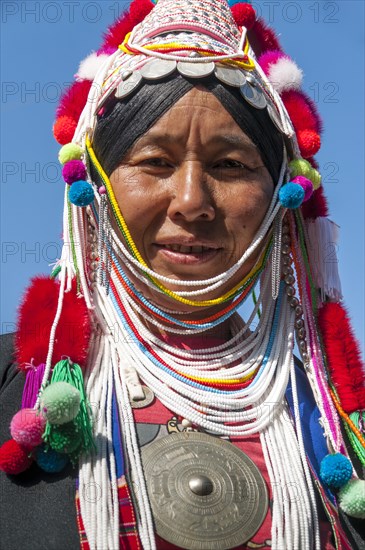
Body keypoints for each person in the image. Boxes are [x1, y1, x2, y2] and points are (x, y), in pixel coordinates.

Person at [0, 0, 364, 549]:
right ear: (96, 187)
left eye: (230, 166)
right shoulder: (18, 390)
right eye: (154, 162)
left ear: (280, 198)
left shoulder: (337, 422)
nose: (192, 202)